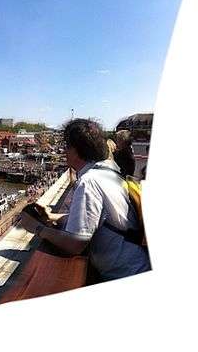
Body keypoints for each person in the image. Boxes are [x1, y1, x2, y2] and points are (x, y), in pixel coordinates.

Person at [20, 118, 150, 282]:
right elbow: (95, 220)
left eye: (67, 146)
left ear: (77, 149)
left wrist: (37, 228)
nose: (64, 151)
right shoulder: (109, 170)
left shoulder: (89, 182)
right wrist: (52, 217)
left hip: (125, 274)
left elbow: (76, 243)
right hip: (136, 265)